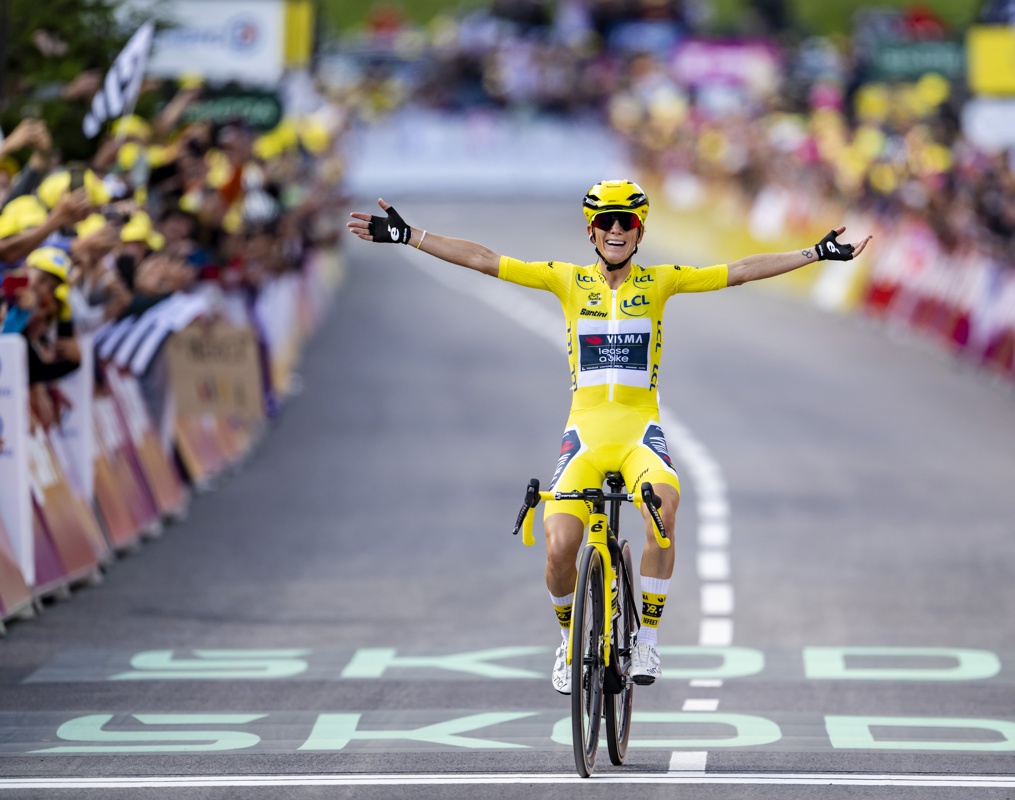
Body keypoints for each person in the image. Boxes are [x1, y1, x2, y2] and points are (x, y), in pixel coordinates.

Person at [347, 180, 871, 691]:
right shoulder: (567, 280)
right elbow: (486, 259)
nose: (616, 230)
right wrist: (411, 235)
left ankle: (648, 638)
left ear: (639, 231)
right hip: (585, 434)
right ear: (592, 231)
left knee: (663, 511)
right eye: (606, 222)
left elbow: (738, 272)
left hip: (640, 432)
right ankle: (567, 639)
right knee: (558, 548)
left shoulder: (661, 281)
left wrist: (814, 252)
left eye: (627, 222)